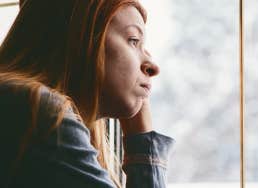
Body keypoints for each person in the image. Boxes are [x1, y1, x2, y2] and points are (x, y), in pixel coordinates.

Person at [0, 0, 174, 187]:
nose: (153, 67)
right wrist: (143, 143)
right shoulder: (40, 110)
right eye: (133, 41)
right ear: (79, 37)